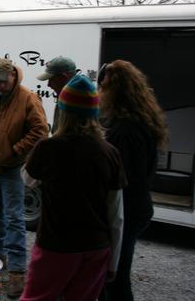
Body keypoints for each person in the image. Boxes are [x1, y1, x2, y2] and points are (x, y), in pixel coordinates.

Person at [21, 75, 125, 301]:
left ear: (63, 112)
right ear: (94, 115)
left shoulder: (48, 148)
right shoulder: (110, 153)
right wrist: (113, 263)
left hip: (55, 245)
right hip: (96, 247)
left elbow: (27, 180)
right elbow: (116, 217)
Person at [0, 57, 48, 298]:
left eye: (4, 81)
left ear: (13, 75)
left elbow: (40, 129)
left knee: (14, 218)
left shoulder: (27, 98)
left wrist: (16, 150)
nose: (0, 85)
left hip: (12, 170)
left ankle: (16, 271)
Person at [98, 60, 167, 301]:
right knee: (113, 274)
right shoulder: (143, 121)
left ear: (114, 91)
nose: (100, 93)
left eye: (103, 88)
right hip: (139, 206)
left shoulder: (123, 132)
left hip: (126, 211)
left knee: (115, 277)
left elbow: (118, 182)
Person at [36, 56, 76, 133]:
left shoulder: (75, 106)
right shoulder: (64, 99)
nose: (48, 84)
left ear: (63, 77)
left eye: (51, 79)